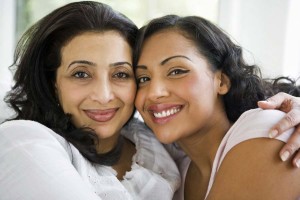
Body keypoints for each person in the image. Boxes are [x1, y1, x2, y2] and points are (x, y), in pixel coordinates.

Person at [0, 2, 180, 200]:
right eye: (81, 74)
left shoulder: (158, 140)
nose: (103, 96)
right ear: (53, 83)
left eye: (120, 74)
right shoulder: (22, 143)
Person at [133, 14, 300, 199]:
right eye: (144, 79)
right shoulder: (172, 175)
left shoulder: (268, 128)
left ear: (222, 81)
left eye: (176, 71)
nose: (154, 92)